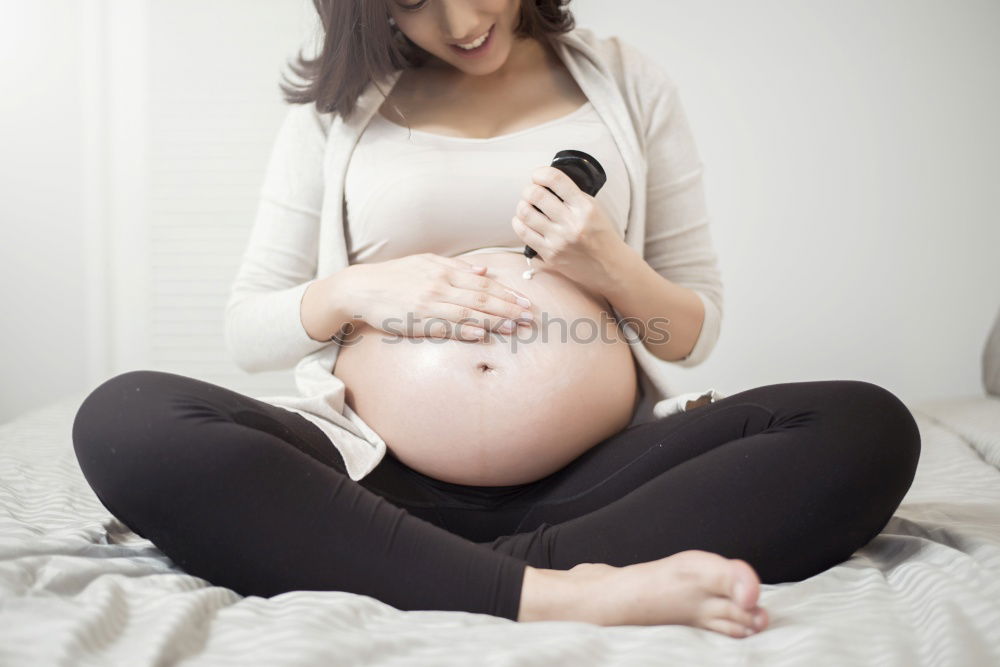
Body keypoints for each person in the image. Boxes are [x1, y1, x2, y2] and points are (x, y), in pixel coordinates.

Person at [71, 0, 921, 639]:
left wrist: (611, 266)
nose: (464, 19)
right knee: (126, 417)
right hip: (366, 474)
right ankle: (560, 590)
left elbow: (690, 336)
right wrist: (356, 291)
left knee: (865, 425)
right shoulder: (338, 105)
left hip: (595, 481)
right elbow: (247, 329)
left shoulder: (627, 81)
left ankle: (409, 561)